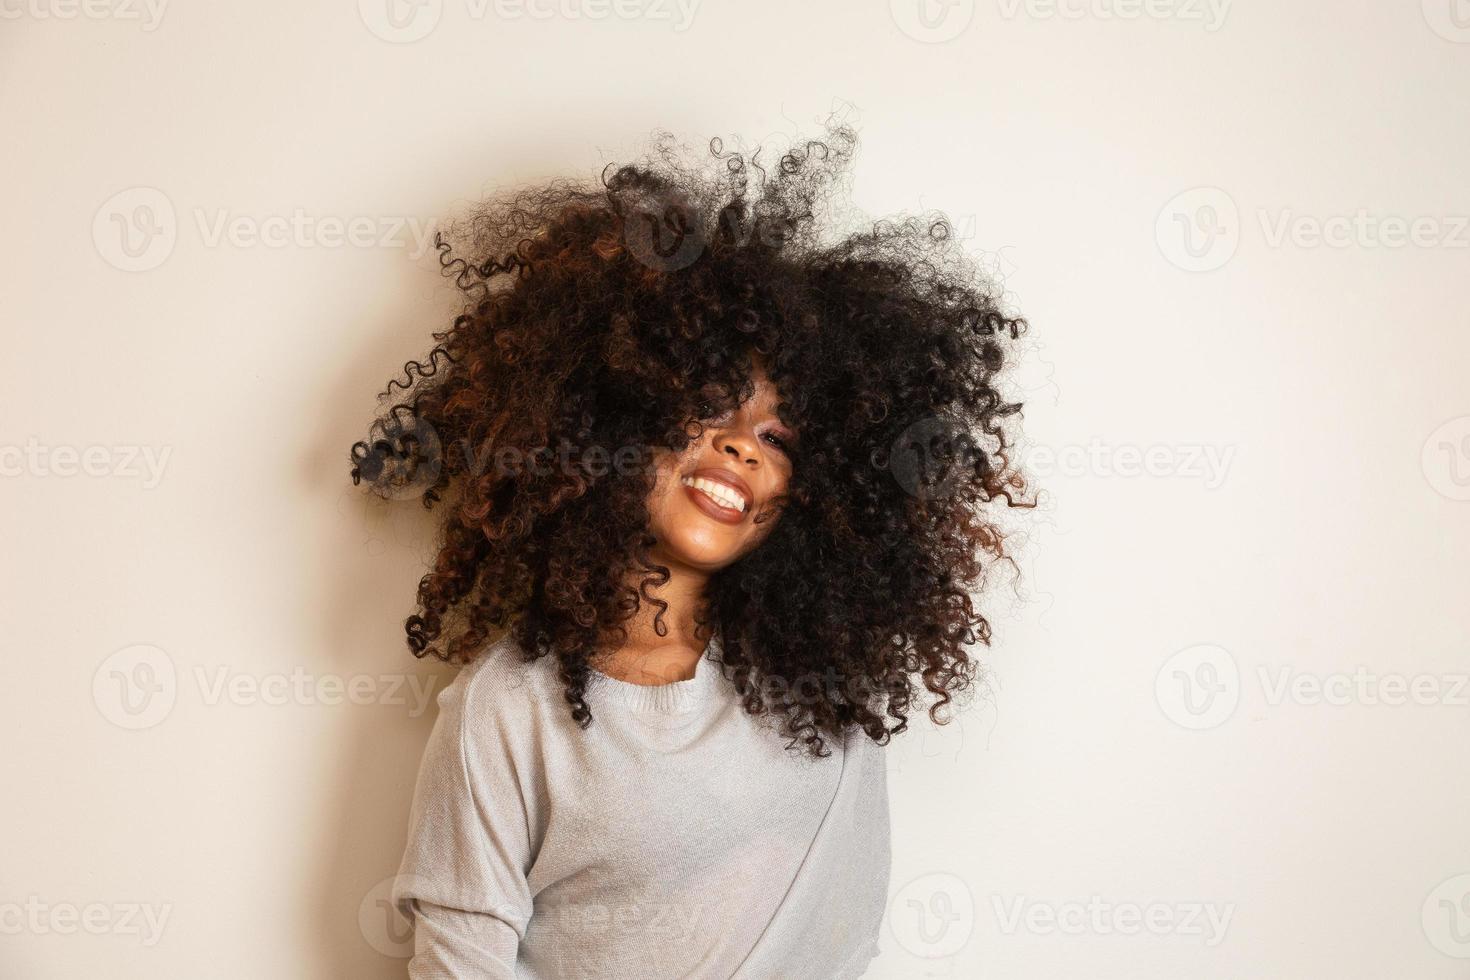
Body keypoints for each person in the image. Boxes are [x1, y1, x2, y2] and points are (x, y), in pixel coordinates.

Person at [348, 116, 1029, 978]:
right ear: (615, 421)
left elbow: (842, 932)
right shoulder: (508, 710)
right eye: (712, 404)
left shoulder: (824, 680)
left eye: (779, 437)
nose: (743, 446)